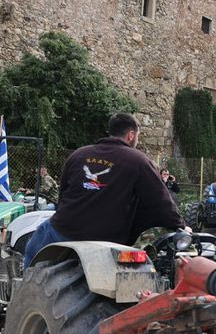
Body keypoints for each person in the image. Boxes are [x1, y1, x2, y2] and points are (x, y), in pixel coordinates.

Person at [22, 114, 185, 269]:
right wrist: (180, 226)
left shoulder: (78, 155)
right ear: (131, 135)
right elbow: (161, 202)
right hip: (107, 240)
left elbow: (62, 196)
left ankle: (24, 282)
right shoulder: (139, 161)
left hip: (63, 231)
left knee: (33, 252)